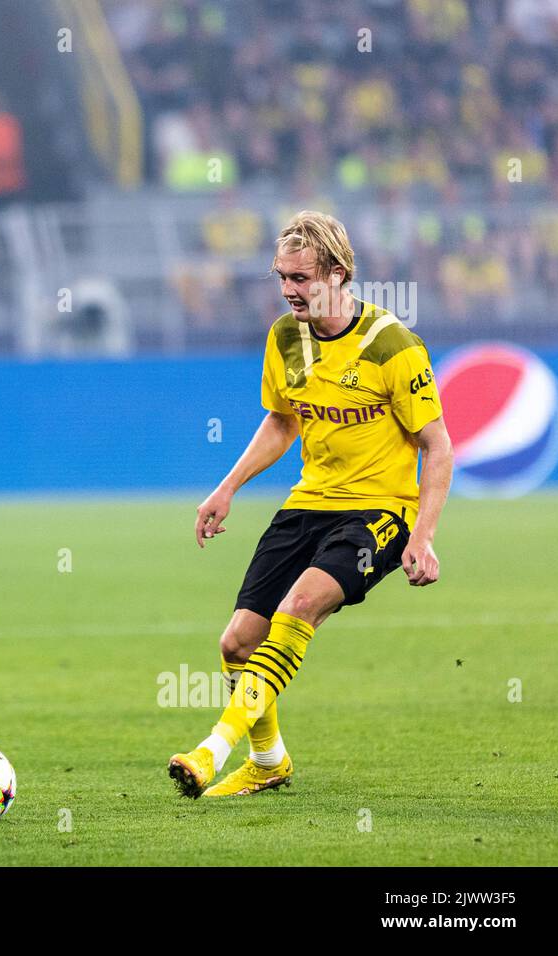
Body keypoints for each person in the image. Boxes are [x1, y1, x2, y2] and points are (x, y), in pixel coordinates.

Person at [169, 210, 453, 798]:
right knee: (237, 644)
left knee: (298, 607)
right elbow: (281, 419)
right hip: (309, 504)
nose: (289, 290)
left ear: (338, 273)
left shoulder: (392, 345)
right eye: (282, 277)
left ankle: (210, 751)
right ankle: (268, 761)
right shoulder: (284, 338)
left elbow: (438, 446)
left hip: (379, 513)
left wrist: (421, 537)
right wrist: (228, 487)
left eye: (301, 278)